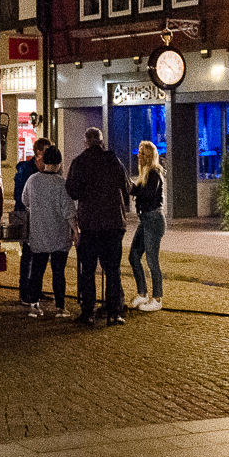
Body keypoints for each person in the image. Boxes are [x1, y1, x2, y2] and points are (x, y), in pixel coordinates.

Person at [65, 127, 129, 326]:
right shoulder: (114, 160)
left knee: (88, 270)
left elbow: (72, 191)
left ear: (86, 143)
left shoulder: (79, 162)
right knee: (112, 270)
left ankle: (88, 313)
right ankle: (114, 312)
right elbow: (126, 186)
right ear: (102, 142)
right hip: (113, 224)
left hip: (90, 225)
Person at [22, 145, 72, 316]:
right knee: (58, 272)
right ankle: (60, 308)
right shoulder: (62, 183)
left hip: (39, 233)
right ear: (59, 163)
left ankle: (34, 306)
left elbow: (25, 201)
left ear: (44, 161)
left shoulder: (32, 180)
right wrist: (75, 231)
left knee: (37, 271)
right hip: (59, 235)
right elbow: (68, 211)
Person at [128, 140, 166, 311]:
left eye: (142, 153)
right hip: (146, 219)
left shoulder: (154, 173)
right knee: (134, 256)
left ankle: (157, 299)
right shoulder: (145, 173)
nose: (139, 156)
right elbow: (138, 191)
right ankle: (142, 294)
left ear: (149, 156)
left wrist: (135, 189)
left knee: (152, 260)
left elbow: (147, 194)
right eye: (139, 152)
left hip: (153, 219)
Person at [12, 136, 50, 305]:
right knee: (28, 254)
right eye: (45, 152)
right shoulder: (25, 170)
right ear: (37, 153)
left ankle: (35, 289)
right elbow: (19, 196)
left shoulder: (46, 169)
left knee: (39, 254)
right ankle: (24, 292)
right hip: (25, 216)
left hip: (39, 216)